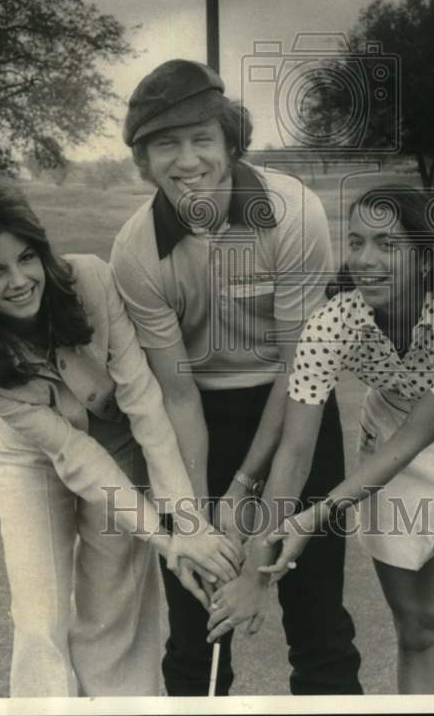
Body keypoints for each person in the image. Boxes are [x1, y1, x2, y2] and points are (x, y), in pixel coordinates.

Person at [207, 184, 434, 694]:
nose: (366, 259)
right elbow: (296, 451)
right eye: (357, 241)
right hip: (388, 435)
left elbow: (409, 444)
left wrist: (314, 516)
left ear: (426, 260)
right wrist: (260, 560)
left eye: (388, 245)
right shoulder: (330, 323)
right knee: (417, 632)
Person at [110, 59, 363, 696]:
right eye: (165, 143)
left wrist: (247, 485)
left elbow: (298, 367)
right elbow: (177, 394)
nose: (187, 160)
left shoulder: (292, 210)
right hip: (196, 419)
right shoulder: (135, 252)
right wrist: (197, 516)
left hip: (299, 405)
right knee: (196, 630)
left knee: (318, 626)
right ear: (143, 159)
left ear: (230, 142)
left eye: (202, 139)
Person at [0, 183, 240, 698]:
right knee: (37, 616)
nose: (18, 280)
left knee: (111, 615)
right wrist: (168, 541)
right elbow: (75, 455)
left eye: (26, 258)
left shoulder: (91, 282)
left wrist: (186, 523)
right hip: (33, 461)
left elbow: (146, 406)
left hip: (123, 443)